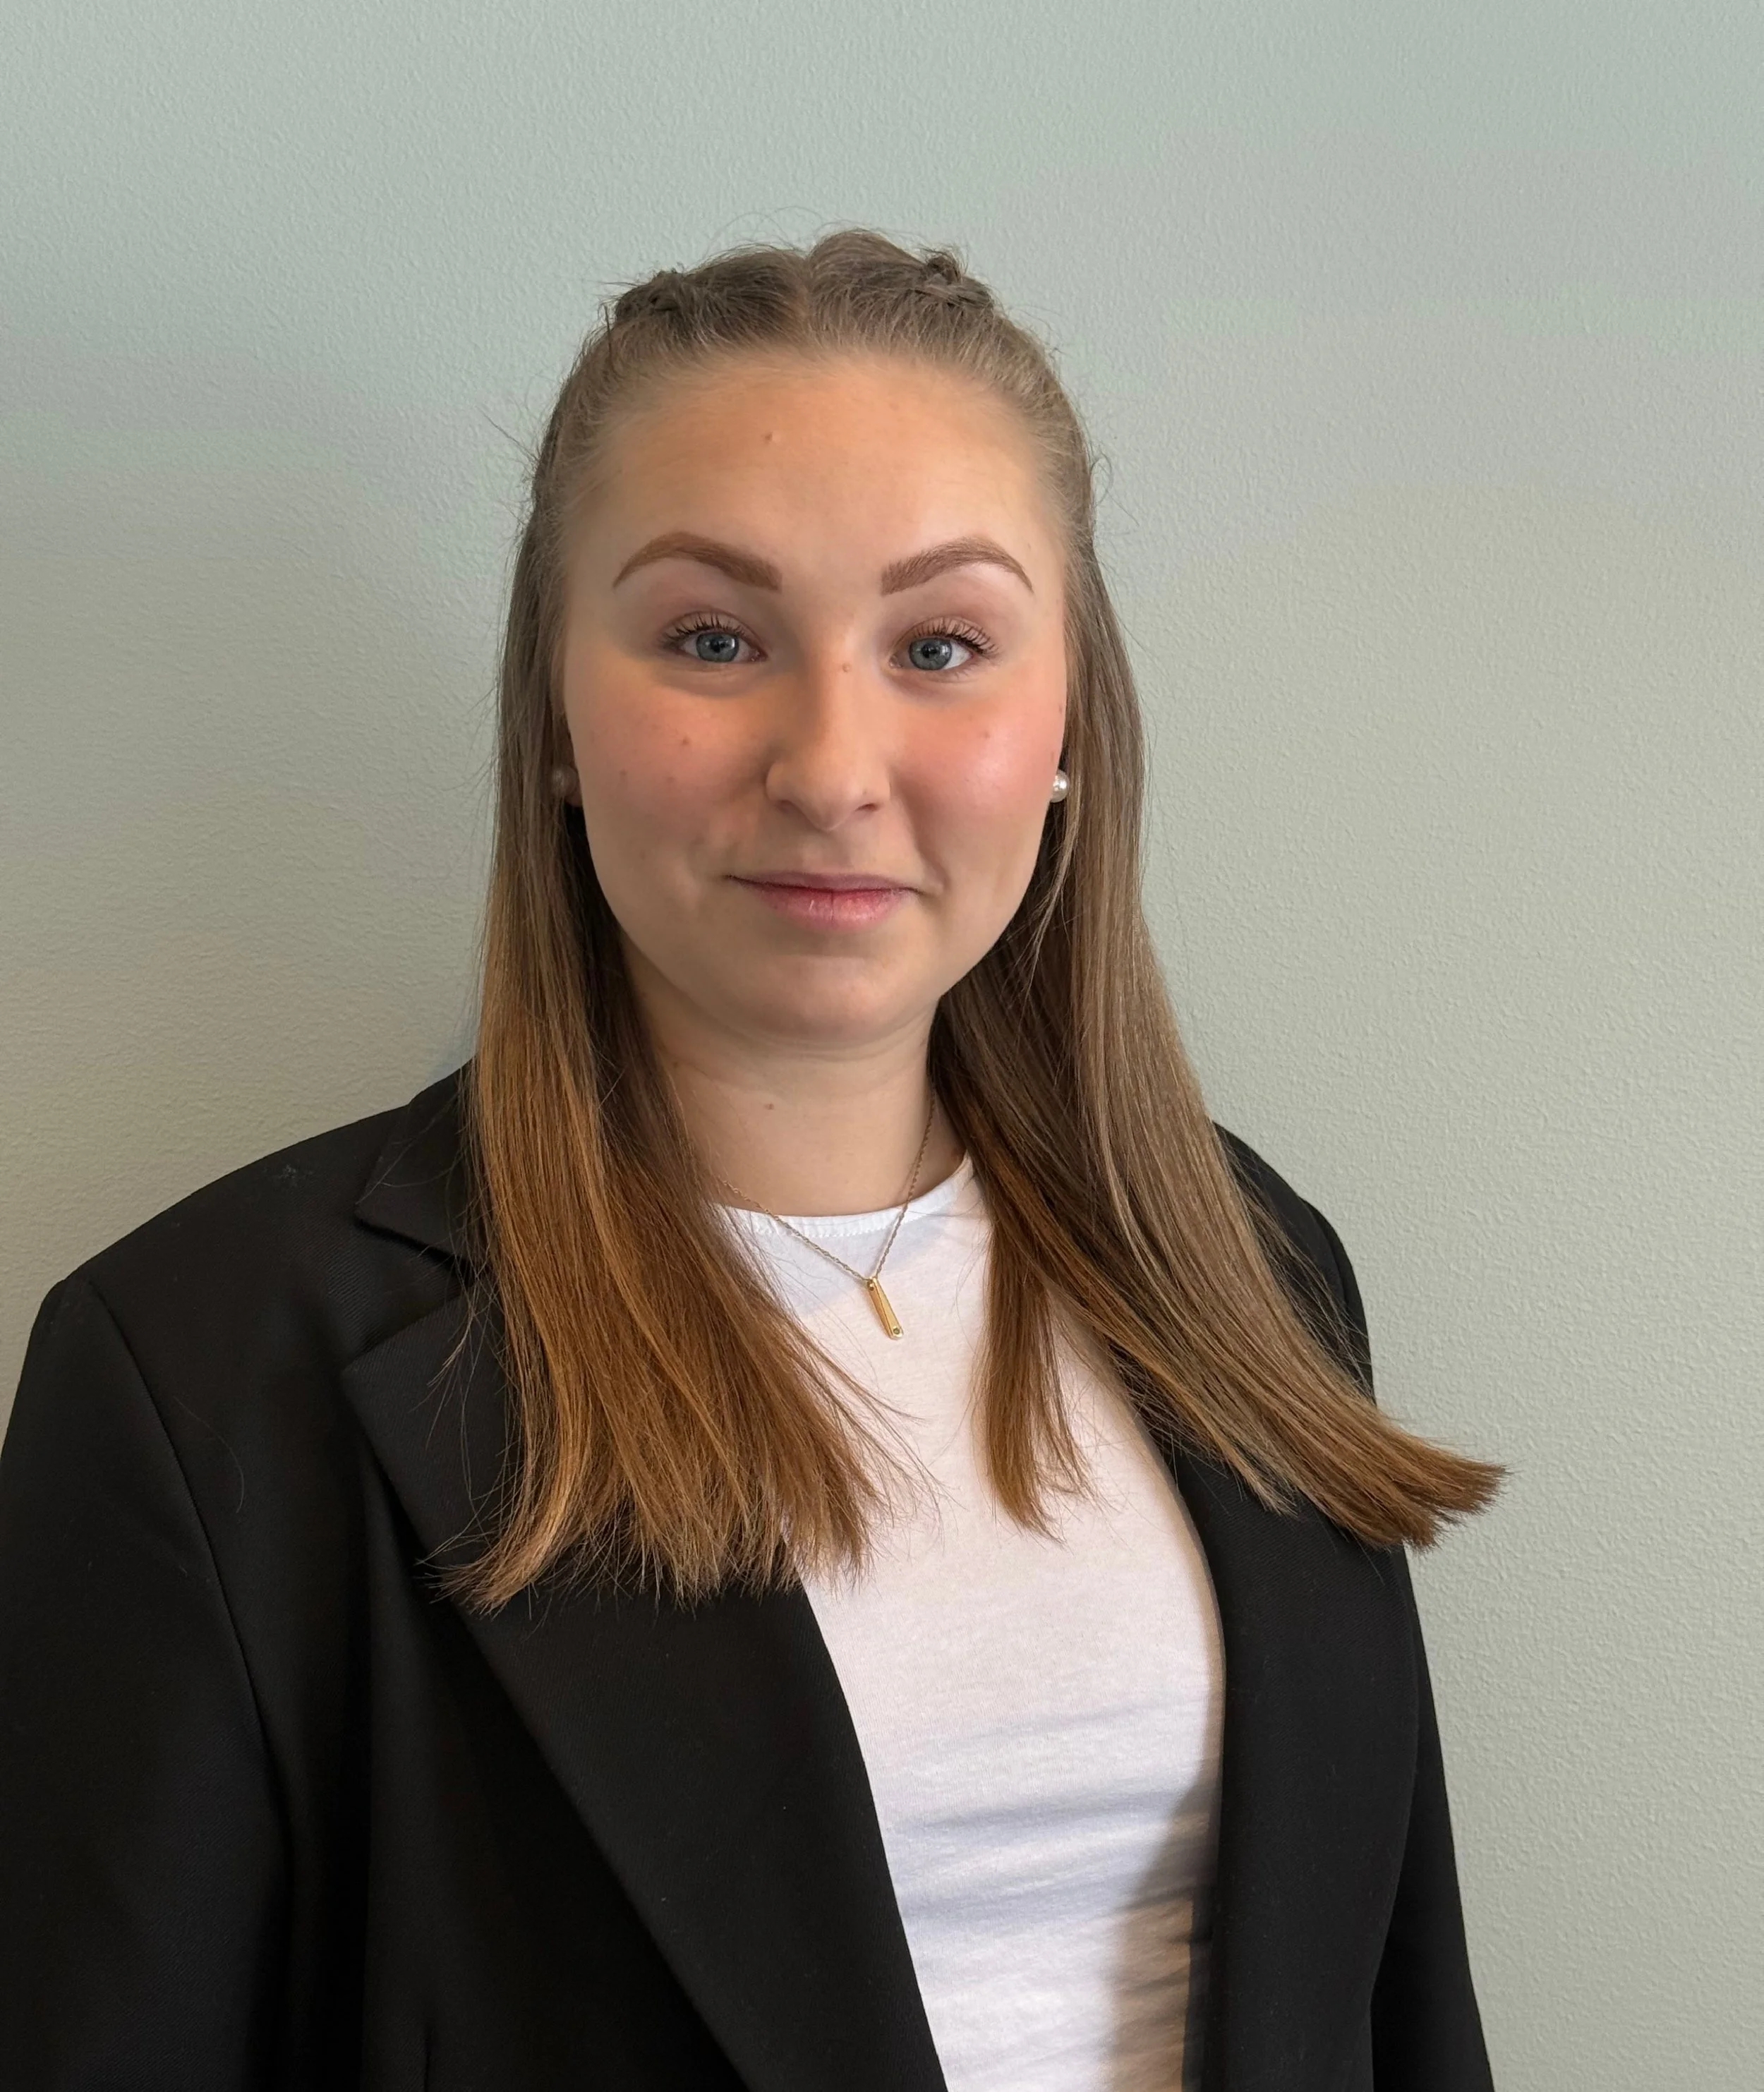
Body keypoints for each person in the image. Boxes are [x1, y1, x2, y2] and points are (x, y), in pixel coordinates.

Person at [0, 231, 1504, 2091]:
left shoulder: (1249, 1260)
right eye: (713, 639)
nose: (832, 766)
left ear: (1067, 729)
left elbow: (1402, 2015)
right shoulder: (202, 1373)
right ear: (555, 718)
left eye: (939, 645)